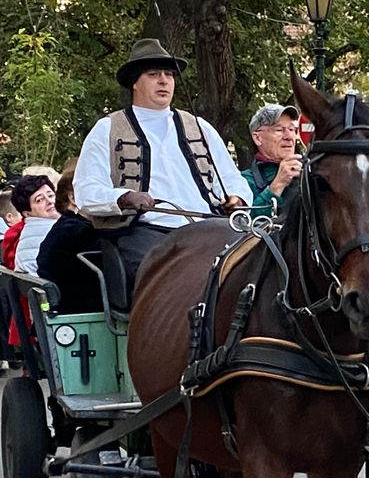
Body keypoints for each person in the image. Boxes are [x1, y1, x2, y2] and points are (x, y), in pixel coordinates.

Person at [73, 38, 252, 290]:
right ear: (135, 82)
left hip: (209, 227)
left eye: (169, 74)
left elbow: (232, 178)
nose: (164, 80)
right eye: (153, 74)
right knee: (170, 284)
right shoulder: (108, 128)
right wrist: (124, 197)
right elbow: (86, 192)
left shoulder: (200, 127)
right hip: (145, 232)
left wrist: (237, 198)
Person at [38, 168, 101, 314]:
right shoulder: (78, 232)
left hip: (63, 312)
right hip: (78, 316)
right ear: (73, 198)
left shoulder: (66, 226)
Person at [241, 103, 302, 218]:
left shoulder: (309, 172)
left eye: (292, 129)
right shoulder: (244, 181)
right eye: (279, 130)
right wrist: (278, 184)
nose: (288, 136)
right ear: (258, 138)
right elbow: (242, 225)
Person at [3, 175, 59, 276]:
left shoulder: (27, 231)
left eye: (50, 195)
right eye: (39, 200)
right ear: (26, 213)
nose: (50, 201)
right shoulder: (55, 231)